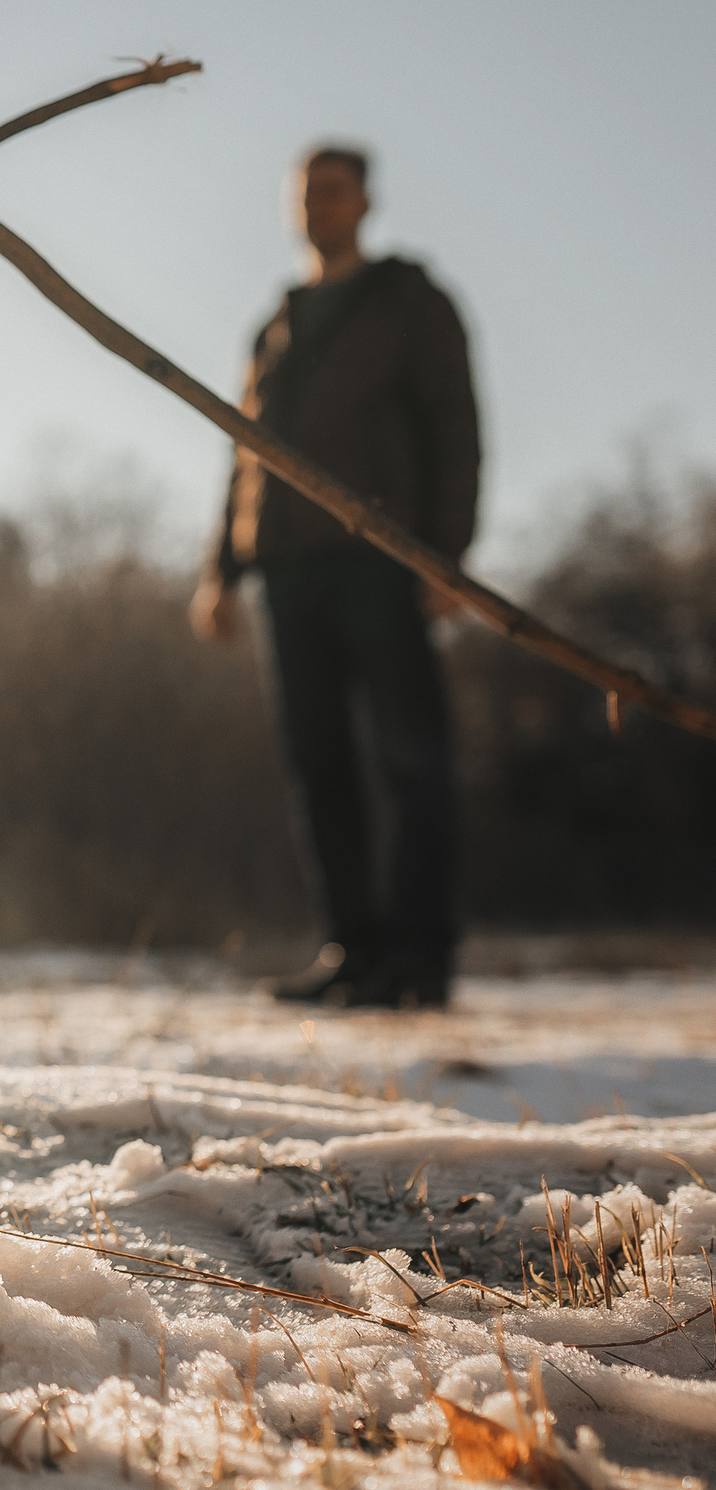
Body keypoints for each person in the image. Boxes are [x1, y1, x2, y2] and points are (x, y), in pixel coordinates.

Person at [191, 145, 482, 1010]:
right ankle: (352, 951)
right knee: (318, 765)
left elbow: (455, 430)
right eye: (305, 191)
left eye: (333, 189)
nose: (317, 203)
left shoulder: (409, 302)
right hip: (286, 567)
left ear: (364, 202)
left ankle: (420, 962)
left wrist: (447, 556)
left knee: (411, 757)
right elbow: (245, 448)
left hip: (383, 559)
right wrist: (222, 567)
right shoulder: (276, 322)